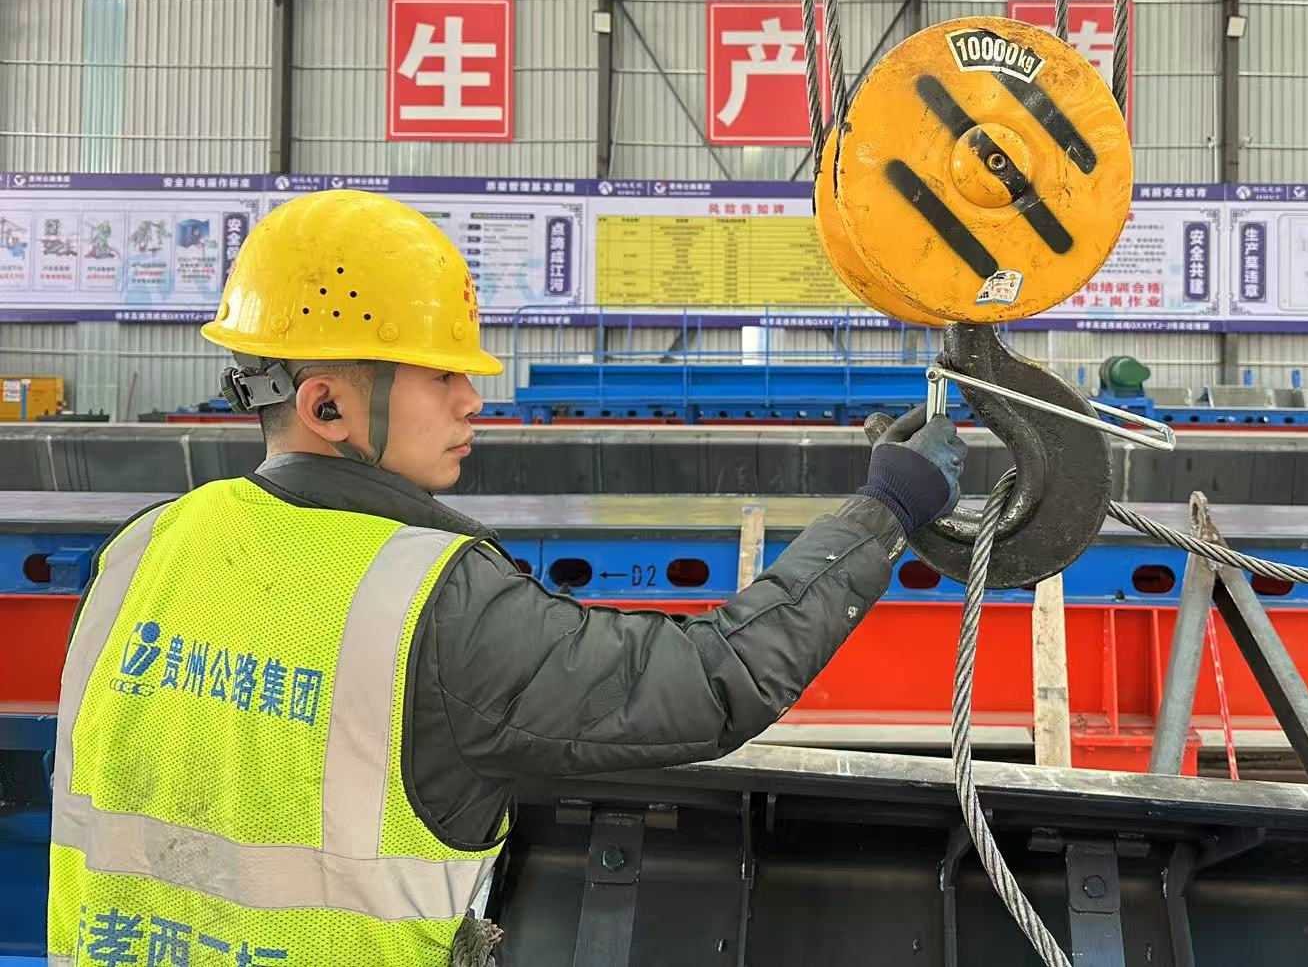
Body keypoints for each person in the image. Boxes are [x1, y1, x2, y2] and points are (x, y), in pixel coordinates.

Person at [48, 189, 965, 966]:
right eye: (440, 376)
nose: (472, 400)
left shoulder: (144, 548)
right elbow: (712, 680)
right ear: (327, 403)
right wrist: (885, 510)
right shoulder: (429, 603)